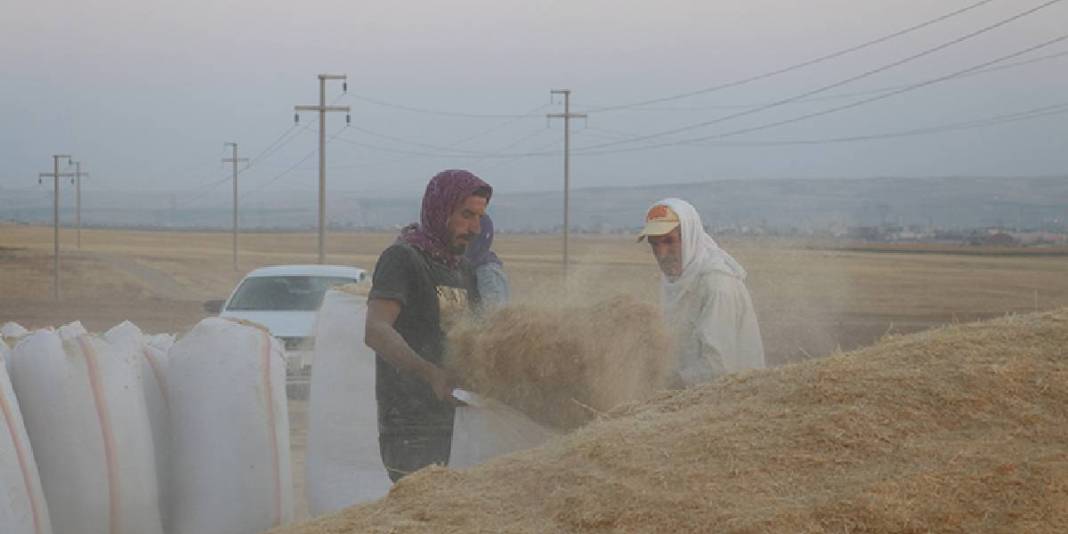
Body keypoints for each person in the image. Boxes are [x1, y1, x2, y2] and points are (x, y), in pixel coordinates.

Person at [364, 169, 491, 482]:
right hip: (411, 426)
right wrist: (430, 373)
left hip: (457, 422)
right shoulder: (404, 258)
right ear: (440, 210)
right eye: (466, 215)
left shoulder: (463, 269)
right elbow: (376, 330)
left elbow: (476, 335)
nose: (475, 228)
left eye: (479, 217)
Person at [638, 198, 765, 388]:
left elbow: (718, 368)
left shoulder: (717, 285)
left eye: (669, 241)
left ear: (690, 238)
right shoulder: (677, 280)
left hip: (730, 396)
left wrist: (661, 385)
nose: (661, 253)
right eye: (654, 244)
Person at [464, 214, 510, 313]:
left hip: (486, 270)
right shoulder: (476, 267)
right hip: (487, 269)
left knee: (493, 312)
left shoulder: (486, 271)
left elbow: (495, 315)